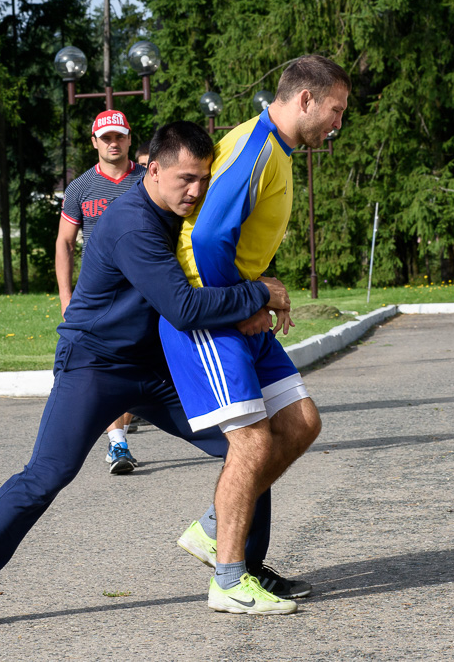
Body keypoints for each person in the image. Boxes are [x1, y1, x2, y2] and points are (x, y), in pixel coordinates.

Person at [0, 121, 297, 638]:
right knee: (46, 475)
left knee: (249, 445)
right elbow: (183, 307)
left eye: (204, 179)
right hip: (94, 365)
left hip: (154, 368)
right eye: (185, 178)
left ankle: (243, 566)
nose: (196, 190)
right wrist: (258, 295)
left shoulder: (187, 215)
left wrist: (255, 287)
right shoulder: (131, 224)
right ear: (153, 170)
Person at [162, 55, 352, 615]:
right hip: (210, 312)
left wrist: (260, 291)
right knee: (250, 441)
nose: (338, 124)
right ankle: (227, 580)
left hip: (242, 306)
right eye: (336, 110)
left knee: (301, 421)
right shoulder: (257, 148)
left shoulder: (277, 150)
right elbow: (207, 240)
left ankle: (212, 528)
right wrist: (245, 302)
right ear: (306, 99)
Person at [56, 109, 144, 475]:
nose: (113, 143)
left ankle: (123, 429)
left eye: (119, 136)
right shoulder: (80, 188)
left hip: (144, 288)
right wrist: (67, 297)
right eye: (106, 138)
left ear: (129, 139)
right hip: (100, 295)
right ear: (94, 142)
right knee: (107, 366)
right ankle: (117, 442)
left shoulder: (146, 179)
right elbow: (65, 243)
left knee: (139, 365)